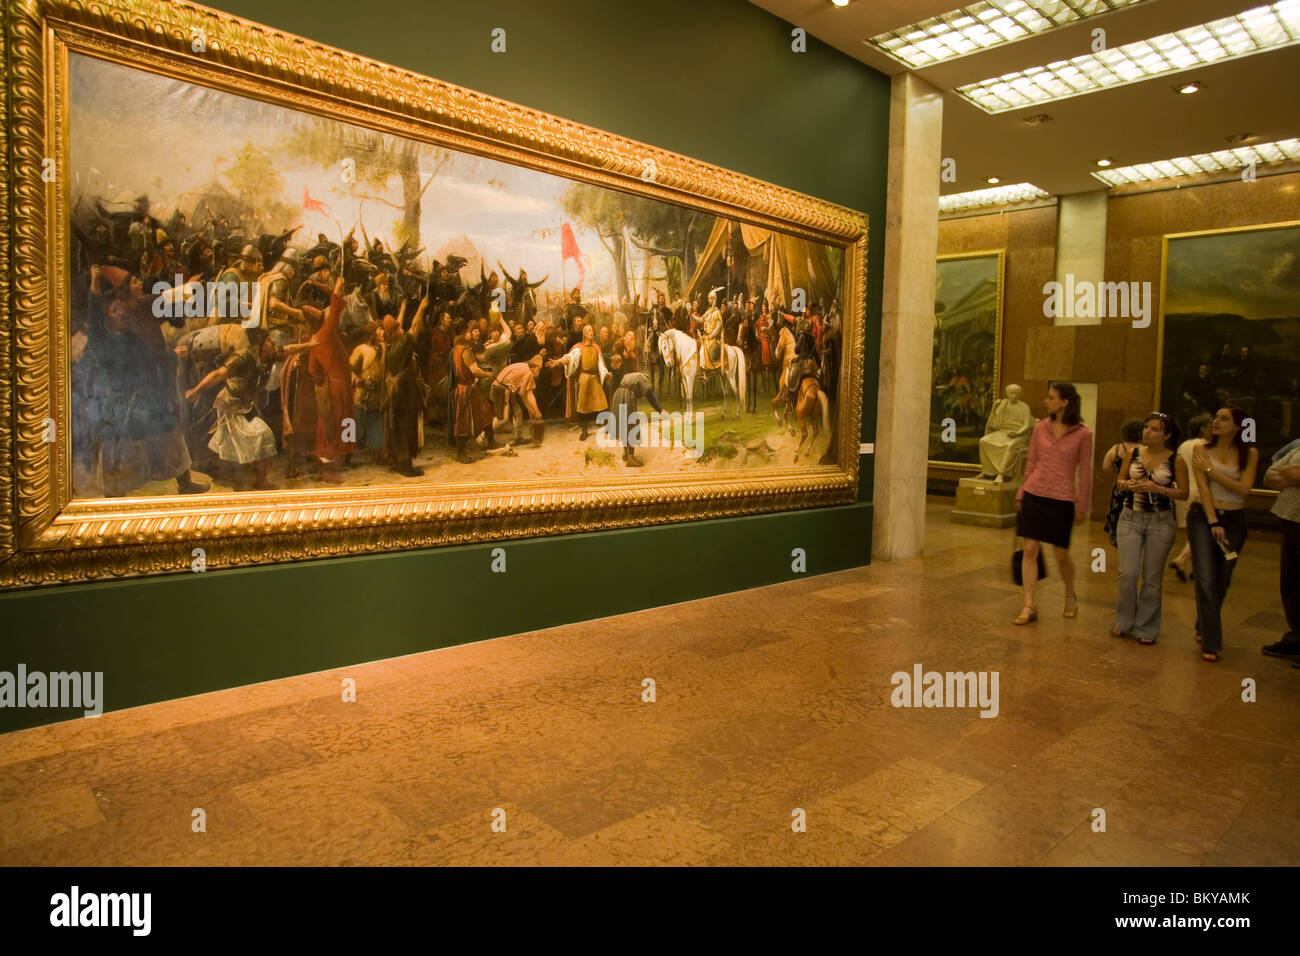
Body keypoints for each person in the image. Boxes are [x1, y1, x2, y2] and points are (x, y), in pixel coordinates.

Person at [1013, 382, 1093, 625]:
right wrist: (1021, 492)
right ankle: (1029, 604)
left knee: (1060, 555)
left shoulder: (1083, 433)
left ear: (1065, 402)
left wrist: (1083, 506)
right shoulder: (1040, 428)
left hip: (1062, 498)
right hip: (1034, 493)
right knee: (1029, 549)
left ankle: (1070, 593)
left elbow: (1086, 471)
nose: (1046, 401)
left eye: (1051, 397)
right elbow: (1031, 462)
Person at [1187, 407, 1259, 661]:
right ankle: (1212, 641)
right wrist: (1212, 521)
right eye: (1215, 417)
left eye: (1223, 418)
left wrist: (1212, 471)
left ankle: (1203, 623)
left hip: (1235, 521)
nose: (1216, 422)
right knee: (1205, 577)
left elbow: (1243, 489)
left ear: (1238, 426)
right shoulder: (1201, 449)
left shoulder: (1249, 453)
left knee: (1223, 576)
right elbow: (1204, 490)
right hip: (1203, 517)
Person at [1111, 413, 1187, 644]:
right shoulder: (1132, 453)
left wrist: (1159, 489)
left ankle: (1147, 627)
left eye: (1154, 429)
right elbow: (1119, 481)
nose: (1147, 432)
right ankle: (1124, 621)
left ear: (1166, 435)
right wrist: (1127, 484)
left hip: (1160, 522)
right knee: (1128, 573)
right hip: (1130, 518)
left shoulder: (1176, 460)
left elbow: (1183, 492)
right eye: (1146, 428)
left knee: (1152, 577)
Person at [1262, 439, 1300, 661]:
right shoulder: (1297, 445)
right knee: (1291, 583)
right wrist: (1290, 473)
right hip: (1289, 520)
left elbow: (1292, 475)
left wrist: (1290, 474)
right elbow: (1269, 475)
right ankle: (1296, 637)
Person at [1169, 413, 1213, 581]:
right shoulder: (1204, 445)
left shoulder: (1183, 446)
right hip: (1200, 493)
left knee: (1193, 533)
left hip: (1183, 491)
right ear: (1203, 429)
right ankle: (1181, 560)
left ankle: (1196, 569)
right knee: (1202, 533)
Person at [1102, 420, 1145, 547]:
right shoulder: (1144, 450)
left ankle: (1119, 543)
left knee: (1118, 517)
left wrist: (1118, 472)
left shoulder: (1116, 449)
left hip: (1119, 489)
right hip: (1139, 489)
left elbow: (1105, 467)